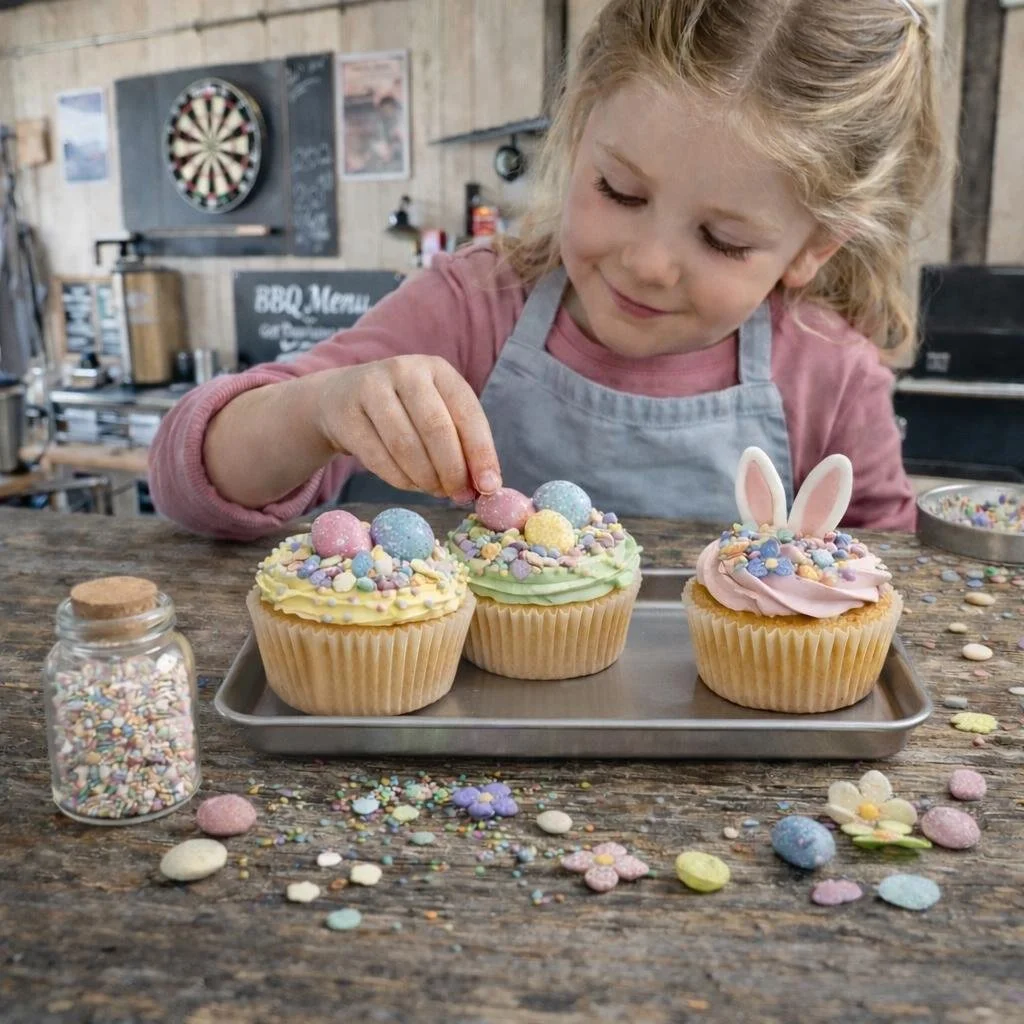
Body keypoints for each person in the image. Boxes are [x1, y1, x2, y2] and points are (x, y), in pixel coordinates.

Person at [150, 0, 942, 541]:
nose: (648, 262)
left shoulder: (830, 373)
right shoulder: (472, 306)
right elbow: (190, 485)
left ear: (814, 248)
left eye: (724, 240)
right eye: (618, 191)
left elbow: (894, 572)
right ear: (578, 129)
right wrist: (318, 410)